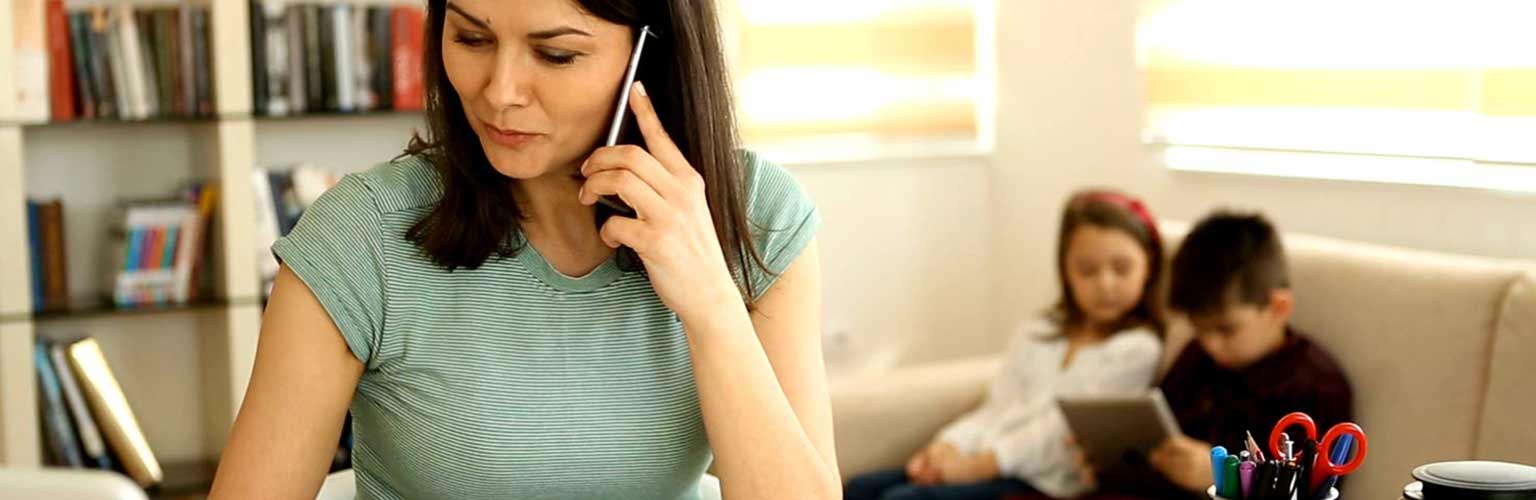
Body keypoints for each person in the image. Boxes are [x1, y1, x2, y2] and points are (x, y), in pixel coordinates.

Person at [209, 1, 839, 498]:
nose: (500, 91)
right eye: (472, 39)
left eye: (555, 54)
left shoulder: (755, 216)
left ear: (650, 54)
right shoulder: (362, 236)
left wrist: (712, 306)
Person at [845, 190, 1166, 500]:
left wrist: (978, 466)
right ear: (1066, 271)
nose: (1105, 284)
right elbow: (998, 405)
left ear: (1148, 265)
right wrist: (949, 445)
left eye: (1121, 269)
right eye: (1087, 271)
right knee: (861, 488)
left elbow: (1058, 432)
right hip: (983, 456)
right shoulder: (1038, 331)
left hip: (1040, 478)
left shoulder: (1137, 349)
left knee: (903, 498)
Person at [1142, 211, 1354, 499]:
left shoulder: (1317, 385)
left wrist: (1222, 477)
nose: (1211, 345)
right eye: (1198, 330)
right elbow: (1156, 431)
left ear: (1278, 308)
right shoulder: (1197, 356)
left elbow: (1314, 490)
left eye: (1226, 330)